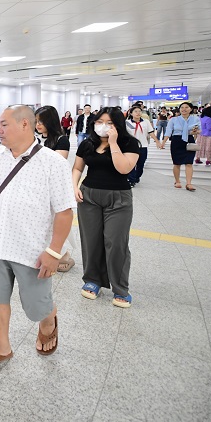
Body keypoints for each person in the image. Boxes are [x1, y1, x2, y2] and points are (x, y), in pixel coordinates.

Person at [0, 105, 75, 368]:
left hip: (32, 249)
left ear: (25, 125)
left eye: (3, 124)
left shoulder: (53, 163)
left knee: (37, 306)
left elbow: (65, 212)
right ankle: (2, 345)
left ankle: (48, 319)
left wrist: (54, 252)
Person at [72, 107, 140, 308]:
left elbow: (124, 168)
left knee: (116, 243)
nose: (104, 126)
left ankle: (120, 288)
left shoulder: (130, 143)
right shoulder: (87, 144)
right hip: (89, 196)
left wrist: (112, 143)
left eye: (109, 123)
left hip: (119, 199)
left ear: (118, 124)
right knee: (90, 240)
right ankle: (92, 280)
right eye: (100, 121)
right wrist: (74, 186)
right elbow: (77, 168)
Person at [35, 106, 75, 273]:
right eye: (36, 121)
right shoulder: (35, 139)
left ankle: (63, 255)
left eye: (41, 121)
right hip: (36, 187)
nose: (38, 125)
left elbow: (57, 164)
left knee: (55, 222)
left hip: (53, 189)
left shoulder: (61, 140)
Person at [159, 102, 201, 192]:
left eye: (186, 107)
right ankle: (177, 181)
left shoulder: (195, 119)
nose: (184, 109)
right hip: (177, 141)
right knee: (177, 163)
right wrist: (163, 142)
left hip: (189, 140)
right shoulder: (173, 120)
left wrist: (195, 132)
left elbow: (199, 130)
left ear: (191, 109)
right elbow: (168, 131)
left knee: (189, 162)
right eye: (182, 107)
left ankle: (189, 183)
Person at [126, 105, 158, 187]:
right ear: (131, 113)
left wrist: (157, 141)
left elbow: (151, 132)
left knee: (141, 164)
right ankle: (131, 180)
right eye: (135, 111)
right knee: (132, 164)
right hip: (131, 147)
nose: (138, 113)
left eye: (139, 111)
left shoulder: (146, 122)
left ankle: (137, 177)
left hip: (143, 146)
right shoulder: (127, 123)